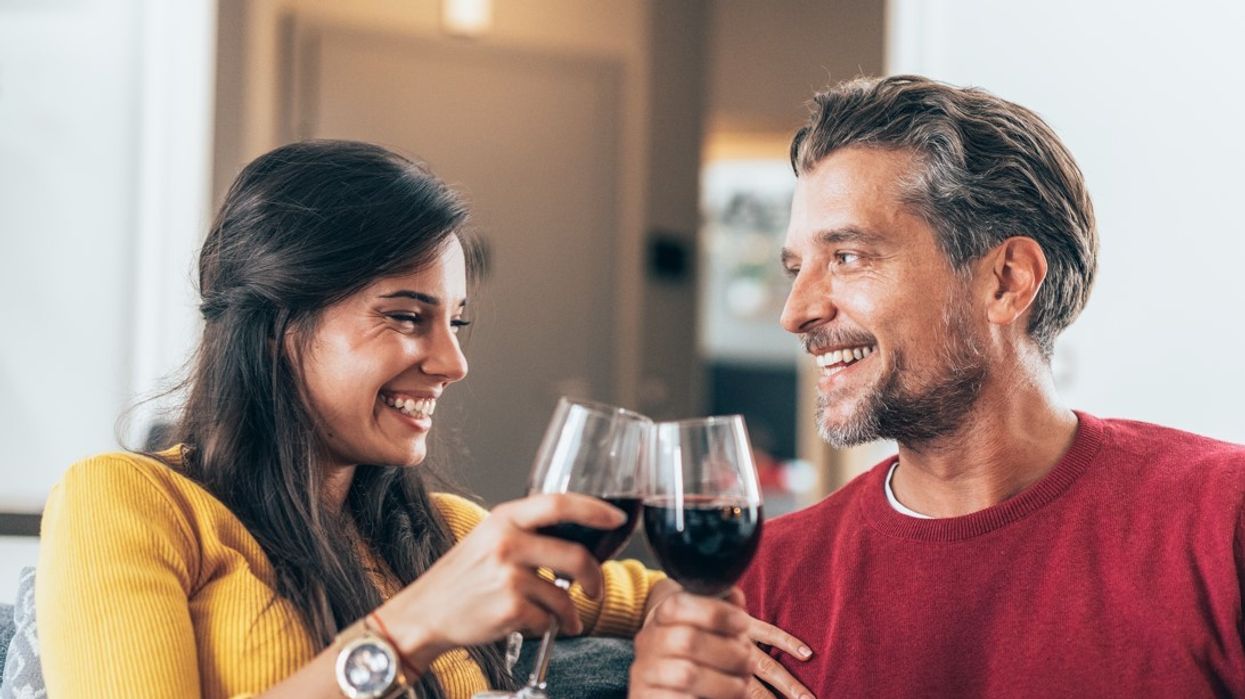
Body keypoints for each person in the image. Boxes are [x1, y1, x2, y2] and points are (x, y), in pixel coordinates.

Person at [35, 140, 809, 699]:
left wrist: (689, 620)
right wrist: (411, 628)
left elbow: (641, 592)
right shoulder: (132, 503)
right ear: (278, 327)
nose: (451, 362)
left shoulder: (447, 530)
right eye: (407, 317)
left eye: (456, 324)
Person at [740, 75, 1245, 696]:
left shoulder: (1225, 518)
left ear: (1006, 281)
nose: (796, 311)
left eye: (847, 256)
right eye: (797, 268)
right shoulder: (762, 582)